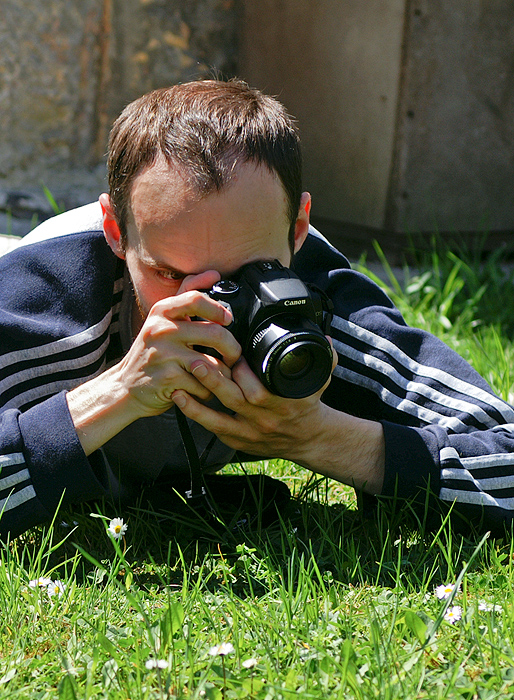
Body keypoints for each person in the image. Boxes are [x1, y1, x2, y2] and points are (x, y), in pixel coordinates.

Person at [1, 79, 514, 540]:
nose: (210, 307)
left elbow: (505, 454)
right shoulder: (50, 300)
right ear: (114, 231)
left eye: (248, 275)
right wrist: (114, 393)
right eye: (170, 276)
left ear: (298, 231)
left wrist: (324, 438)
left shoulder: (314, 301)